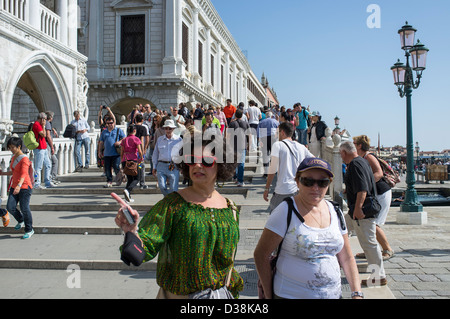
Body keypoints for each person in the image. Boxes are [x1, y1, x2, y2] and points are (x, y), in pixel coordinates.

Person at [115, 137, 244, 299]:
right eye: (191, 160)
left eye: (207, 161)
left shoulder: (230, 208)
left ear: (221, 165)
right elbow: (144, 247)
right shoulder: (173, 205)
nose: (198, 165)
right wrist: (132, 231)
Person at [254, 158, 362, 299]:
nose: (315, 188)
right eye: (308, 181)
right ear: (297, 182)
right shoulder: (285, 211)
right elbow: (261, 255)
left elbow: (347, 257)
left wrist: (357, 293)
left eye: (322, 182)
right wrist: (269, 295)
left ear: (329, 184)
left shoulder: (335, 211)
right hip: (290, 295)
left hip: (333, 295)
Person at [339, 141, 387, 287]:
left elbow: (362, 189)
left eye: (341, 154)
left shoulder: (355, 165)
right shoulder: (362, 162)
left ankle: (378, 277)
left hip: (362, 212)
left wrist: (358, 208)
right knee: (339, 229)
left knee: (369, 244)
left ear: (344, 153)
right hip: (356, 211)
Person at [353, 135, 395, 260]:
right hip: (375, 193)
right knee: (368, 223)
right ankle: (370, 251)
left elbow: (378, 173)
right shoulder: (361, 157)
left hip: (381, 192)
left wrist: (365, 186)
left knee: (374, 224)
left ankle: (387, 249)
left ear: (359, 145)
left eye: (354, 143)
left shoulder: (369, 156)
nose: (353, 145)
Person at [264, 122, 314, 212]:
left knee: (274, 219)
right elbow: (314, 161)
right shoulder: (301, 147)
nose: (277, 135)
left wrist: (267, 188)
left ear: (282, 132)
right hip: (299, 190)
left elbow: (272, 169)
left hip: (283, 189)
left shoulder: (278, 145)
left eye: (278, 132)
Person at [0, 137, 34, 239]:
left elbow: (24, 174)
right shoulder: (14, 158)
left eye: (12, 147)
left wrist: (19, 186)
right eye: (9, 147)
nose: (11, 149)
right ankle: (21, 220)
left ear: (19, 147)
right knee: (10, 206)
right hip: (14, 186)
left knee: (24, 208)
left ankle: (29, 229)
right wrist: (3, 173)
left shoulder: (24, 159)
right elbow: (14, 172)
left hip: (24, 187)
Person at [152, 120, 183, 196]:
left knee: (173, 188)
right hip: (161, 164)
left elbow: (182, 154)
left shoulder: (178, 140)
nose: (168, 130)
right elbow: (155, 153)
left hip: (174, 165)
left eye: (170, 128)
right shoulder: (160, 139)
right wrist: (154, 166)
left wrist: (182, 166)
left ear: (173, 129)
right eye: (166, 128)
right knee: (162, 186)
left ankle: (169, 202)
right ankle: (168, 199)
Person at [98, 117, 126, 188]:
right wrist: (100, 151)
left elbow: (124, 138)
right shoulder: (104, 132)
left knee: (116, 166)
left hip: (116, 153)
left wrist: (119, 142)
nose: (110, 124)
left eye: (111, 123)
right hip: (107, 153)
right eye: (108, 123)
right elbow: (101, 142)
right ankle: (109, 181)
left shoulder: (118, 130)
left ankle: (120, 177)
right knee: (107, 168)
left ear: (114, 123)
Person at [121, 125, 144, 203]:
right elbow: (140, 151)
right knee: (137, 178)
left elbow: (122, 152)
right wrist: (141, 158)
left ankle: (128, 196)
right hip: (133, 160)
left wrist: (122, 161)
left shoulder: (124, 140)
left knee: (130, 179)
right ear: (134, 131)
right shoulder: (136, 139)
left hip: (125, 160)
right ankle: (127, 190)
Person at [227, 109, 250, 187]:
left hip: (233, 144)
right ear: (242, 115)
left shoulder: (232, 123)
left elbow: (229, 135)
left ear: (235, 115)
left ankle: (236, 177)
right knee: (241, 163)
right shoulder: (246, 123)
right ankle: (240, 180)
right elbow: (249, 135)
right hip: (242, 145)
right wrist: (249, 145)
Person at [32, 113, 55, 189]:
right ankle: (36, 183)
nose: (45, 121)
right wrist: (43, 126)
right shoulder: (36, 125)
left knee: (48, 165)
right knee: (38, 167)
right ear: (41, 119)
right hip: (39, 148)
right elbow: (44, 135)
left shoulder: (40, 125)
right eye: (44, 119)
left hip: (44, 147)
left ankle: (47, 181)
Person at [134, 113, 150, 189]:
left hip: (132, 151)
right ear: (142, 120)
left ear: (135, 120)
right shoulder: (143, 128)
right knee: (141, 166)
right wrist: (144, 149)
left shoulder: (132, 127)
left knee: (135, 166)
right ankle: (142, 183)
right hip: (140, 150)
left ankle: (134, 182)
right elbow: (143, 140)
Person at [45, 111, 60, 184]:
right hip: (47, 145)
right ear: (50, 117)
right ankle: (50, 178)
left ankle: (52, 177)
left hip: (47, 145)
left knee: (54, 161)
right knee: (50, 162)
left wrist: (53, 129)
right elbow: (48, 136)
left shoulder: (47, 123)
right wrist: (52, 147)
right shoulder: (47, 123)